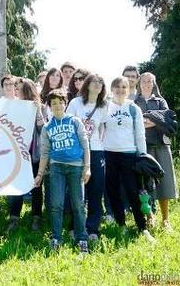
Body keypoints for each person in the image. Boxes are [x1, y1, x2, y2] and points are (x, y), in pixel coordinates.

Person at [34, 89, 91, 253]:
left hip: (76, 167)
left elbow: (86, 145)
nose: (57, 105)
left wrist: (87, 168)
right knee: (56, 204)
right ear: (49, 106)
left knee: (78, 205)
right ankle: (56, 238)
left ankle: (82, 239)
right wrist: (39, 175)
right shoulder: (47, 127)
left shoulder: (75, 121)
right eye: (53, 103)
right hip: (56, 168)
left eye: (60, 102)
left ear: (65, 104)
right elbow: (44, 153)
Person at [103, 76, 156, 242]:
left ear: (128, 89)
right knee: (113, 192)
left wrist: (142, 155)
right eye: (117, 87)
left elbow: (140, 134)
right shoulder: (105, 107)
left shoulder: (134, 108)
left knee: (133, 191)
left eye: (124, 87)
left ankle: (142, 227)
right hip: (109, 154)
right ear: (112, 89)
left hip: (129, 155)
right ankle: (122, 225)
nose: (120, 90)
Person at [134, 72, 178, 231]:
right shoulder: (134, 102)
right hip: (143, 147)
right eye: (143, 81)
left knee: (165, 182)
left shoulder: (161, 101)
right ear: (139, 83)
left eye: (149, 81)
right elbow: (135, 123)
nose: (146, 83)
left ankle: (166, 219)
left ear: (153, 83)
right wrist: (155, 120)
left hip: (161, 145)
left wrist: (148, 119)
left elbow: (167, 120)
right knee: (146, 183)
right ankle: (149, 217)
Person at [66, 74, 108, 240]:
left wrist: (99, 142)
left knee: (96, 191)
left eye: (101, 82)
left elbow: (104, 127)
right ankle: (74, 226)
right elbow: (68, 124)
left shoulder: (104, 106)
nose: (98, 85)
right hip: (77, 151)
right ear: (88, 84)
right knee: (76, 191)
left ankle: (92, 229)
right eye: (95, 82)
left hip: (96, 151)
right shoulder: (76, 103)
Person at [7, 79, 45, 232]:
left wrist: (38, 111)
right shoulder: (13, 106)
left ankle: (36, 217)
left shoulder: (38, 107)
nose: (16, 91)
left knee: (36, 186)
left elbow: (43, 129)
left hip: (33, 154)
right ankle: (14, 218)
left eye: (19, 89)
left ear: (27, 91)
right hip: (19, 155)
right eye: (16, 88)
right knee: (18, 186)